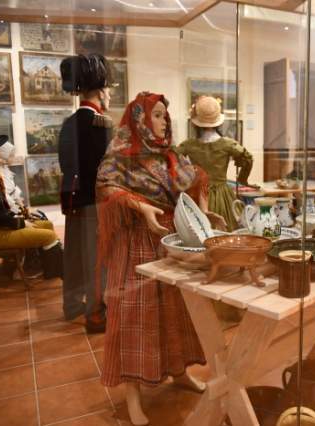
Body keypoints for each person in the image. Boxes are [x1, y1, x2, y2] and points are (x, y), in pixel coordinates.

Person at [96, 92, 215, 426]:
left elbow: (197, 178)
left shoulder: (170, 155)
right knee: (134, 316)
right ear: (141, 120)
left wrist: (204, 213)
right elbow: (106, 185)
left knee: (175, 310)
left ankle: (179, 372)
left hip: (171, 240)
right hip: (136, 243)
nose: (165, 121)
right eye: (158, 115)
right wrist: (141, 207)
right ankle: (133, 396)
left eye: (165, 115)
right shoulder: (122, 155)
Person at [58, 54, 113, 333]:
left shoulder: (69, 123)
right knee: (96, 259)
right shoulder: (101, 124)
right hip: (94, 200)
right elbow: (107, 170)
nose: (109, 95)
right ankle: (95, 314)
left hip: (73, 198)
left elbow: (65, 164)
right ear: (101, 91)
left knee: (74, 255)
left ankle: (72, 305)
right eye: (108, 90)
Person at [0, 133, 62, 279]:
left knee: (46, 225)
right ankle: (53, 273)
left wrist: (18, 219)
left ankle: (44, 267)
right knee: (49, 235)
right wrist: (20, 223)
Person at [176, 95, 253, 231]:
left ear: (195, 122)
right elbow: (247, 158)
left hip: (197, 196)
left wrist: (185, 180)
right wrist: (242, 179)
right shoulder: (228, 144)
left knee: (198, 232)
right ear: (218, 122)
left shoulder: (188, 145)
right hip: (222, 195)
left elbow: (173, 157)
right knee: (225, 232)